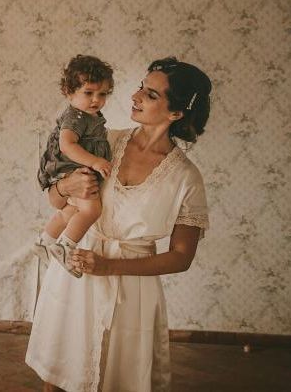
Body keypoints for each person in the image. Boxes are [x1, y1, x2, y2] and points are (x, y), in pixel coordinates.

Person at [26, 57, 212, 392]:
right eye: (142, 86)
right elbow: (56, 201)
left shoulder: (187, 178)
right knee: (59, 372)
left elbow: (181, 257)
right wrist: (65, 187)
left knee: (121, 379)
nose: (136, 96)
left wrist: (110, 265)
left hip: (132, 288)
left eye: (152, 95)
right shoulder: (103, 142)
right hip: (76, 270)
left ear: (176, 114)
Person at [36, 55, 114, 276]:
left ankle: (44, 242)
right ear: (69, 93)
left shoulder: (90, 115)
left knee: (71, 210)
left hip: (72, 169)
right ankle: (64, 247)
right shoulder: (76, 117)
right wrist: (96, 161)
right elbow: (67, 145)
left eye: (102, 94)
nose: (95, 100)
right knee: (92, 209)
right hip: (70, 168)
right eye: (88, 93)